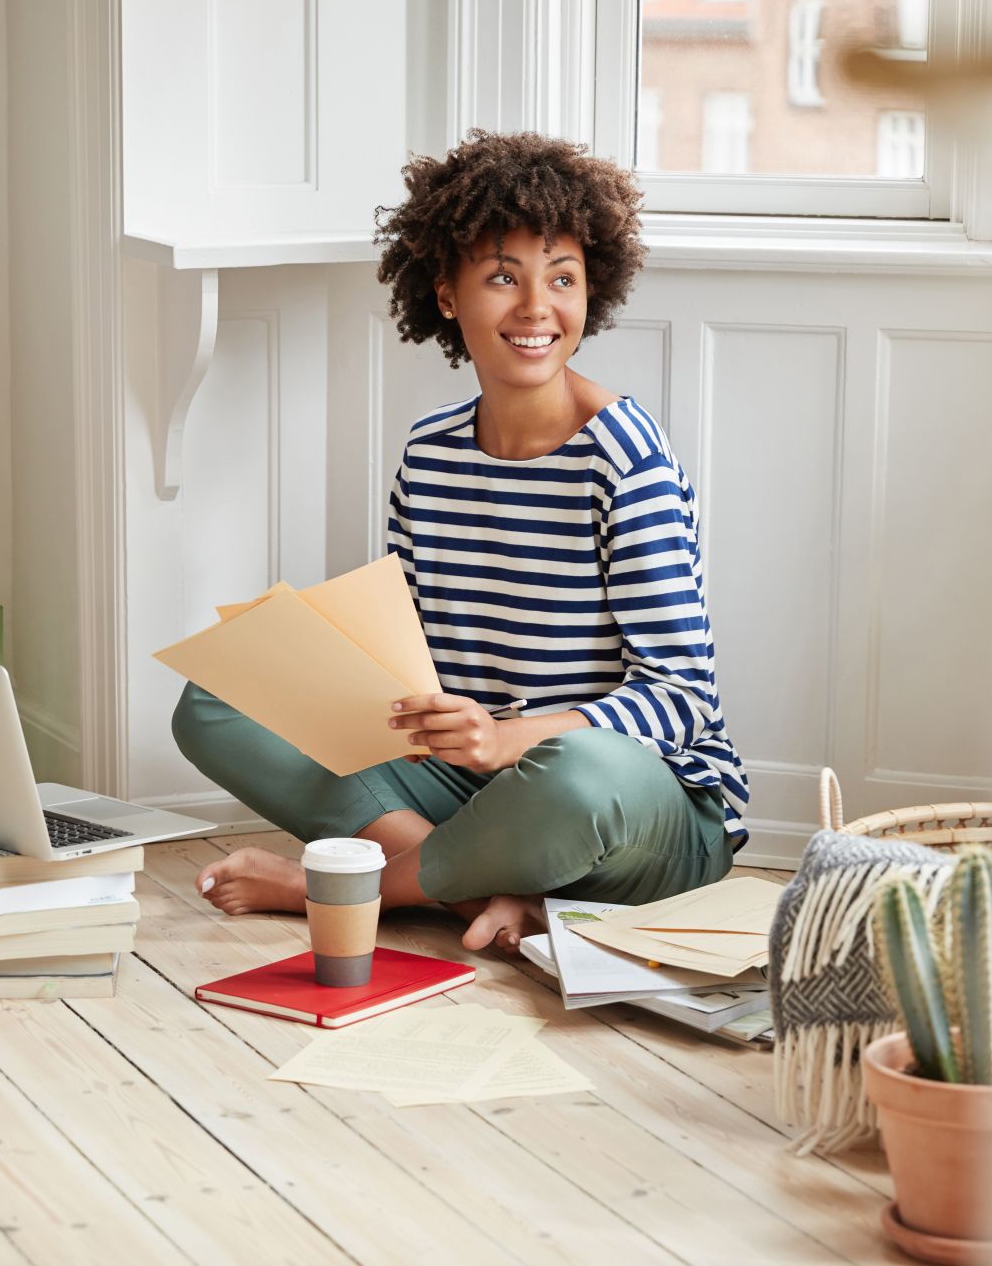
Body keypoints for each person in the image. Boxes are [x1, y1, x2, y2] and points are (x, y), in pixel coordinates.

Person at [171, 130, 748, 954]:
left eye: (562, 279)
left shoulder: (628, 462)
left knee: (578, 775)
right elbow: (412, 655)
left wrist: (515, 737)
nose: (536, 308)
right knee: (217, 692)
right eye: (502, 277)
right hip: (470, 788)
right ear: (446, 294)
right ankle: (478, 893)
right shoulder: (430, 452)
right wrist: (307, 651)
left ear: (593, 292)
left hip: (636, 807)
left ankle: (337, 888)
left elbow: (683, 699)